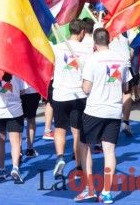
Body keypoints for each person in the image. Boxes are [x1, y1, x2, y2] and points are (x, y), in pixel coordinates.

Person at [75, 28, 130, 203]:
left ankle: (90, 187)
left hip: (95, 110)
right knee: (109, 151)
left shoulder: (92, 60)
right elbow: (125, 87)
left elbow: (86, 89)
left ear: (94, 42)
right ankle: (106, 191)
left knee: (85, 147)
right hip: (114, 111)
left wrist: (82, 80)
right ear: (109, 40)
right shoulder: (120, 59)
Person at [51, 19, 90, 178]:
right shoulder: (87, 50)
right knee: (77, 132)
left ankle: (60, 157)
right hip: (79, 95)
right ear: (81, 32)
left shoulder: (58, 48)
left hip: (60, 95)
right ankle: (79, 165)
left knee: (60, 129)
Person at [0, 73, 25, 183]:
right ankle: (15, 167)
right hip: (15, 110)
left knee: (0, 140)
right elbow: (23, 91)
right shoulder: (18, 70)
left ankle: (1, 169)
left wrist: (1, 90)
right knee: (15, 142)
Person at [21, 81, 40, 158]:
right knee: (31, 120)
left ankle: (21, 150)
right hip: (31, 90)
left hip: (21, 91)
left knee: (19, 121)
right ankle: (29, 149)